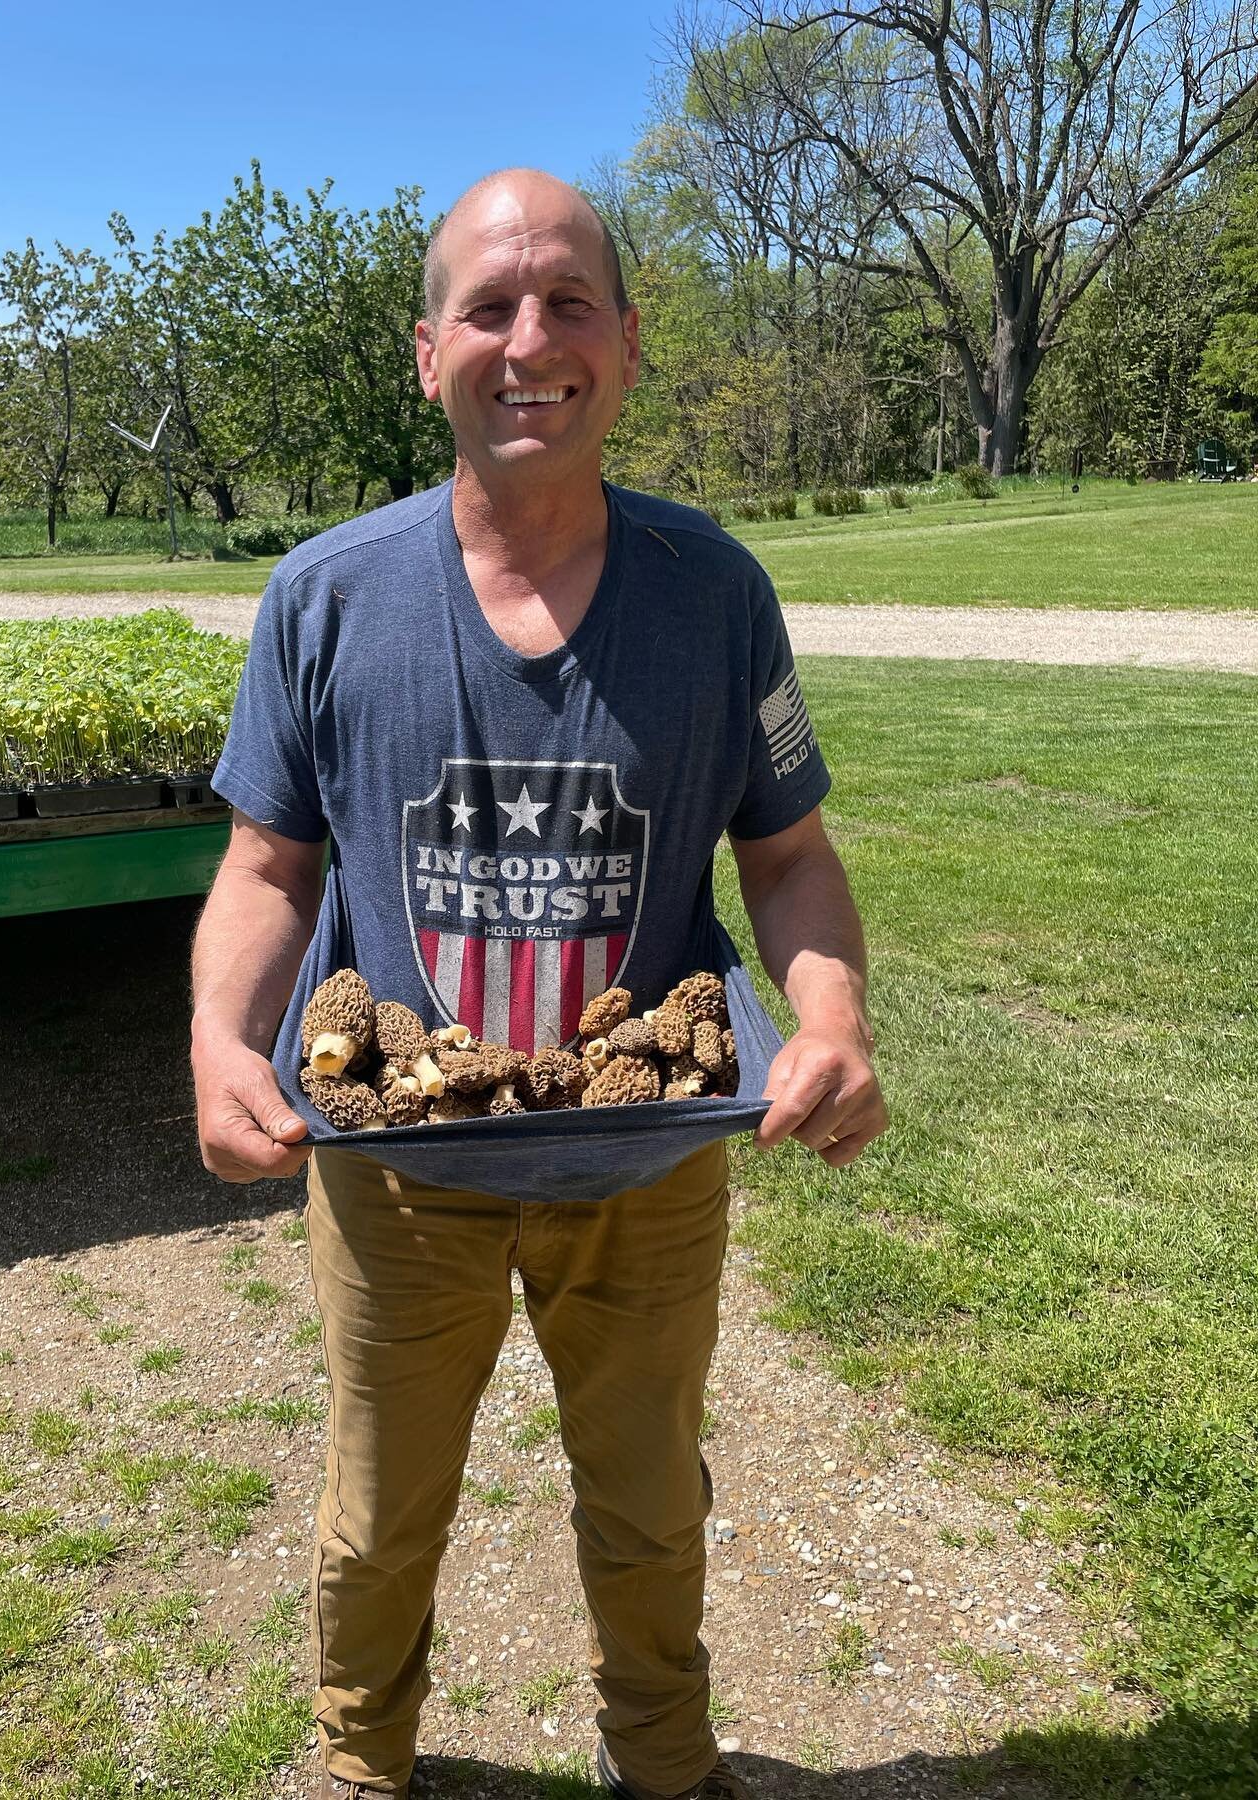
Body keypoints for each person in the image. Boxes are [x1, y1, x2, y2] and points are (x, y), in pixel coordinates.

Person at [191, 167, 888, 1800]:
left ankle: (664, 1761)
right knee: (381, 1510)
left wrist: (836, 1021)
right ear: (427, 351)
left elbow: (787, 853)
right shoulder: (328, 597)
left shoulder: (712, 592)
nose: (532, 339)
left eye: (570, 301)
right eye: (491, 307)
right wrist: (224, 1038)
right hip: (398, 1168)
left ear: (629, 346)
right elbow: (267, 868)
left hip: (646, 1170)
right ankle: (359, 1761)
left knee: (649, 1502)